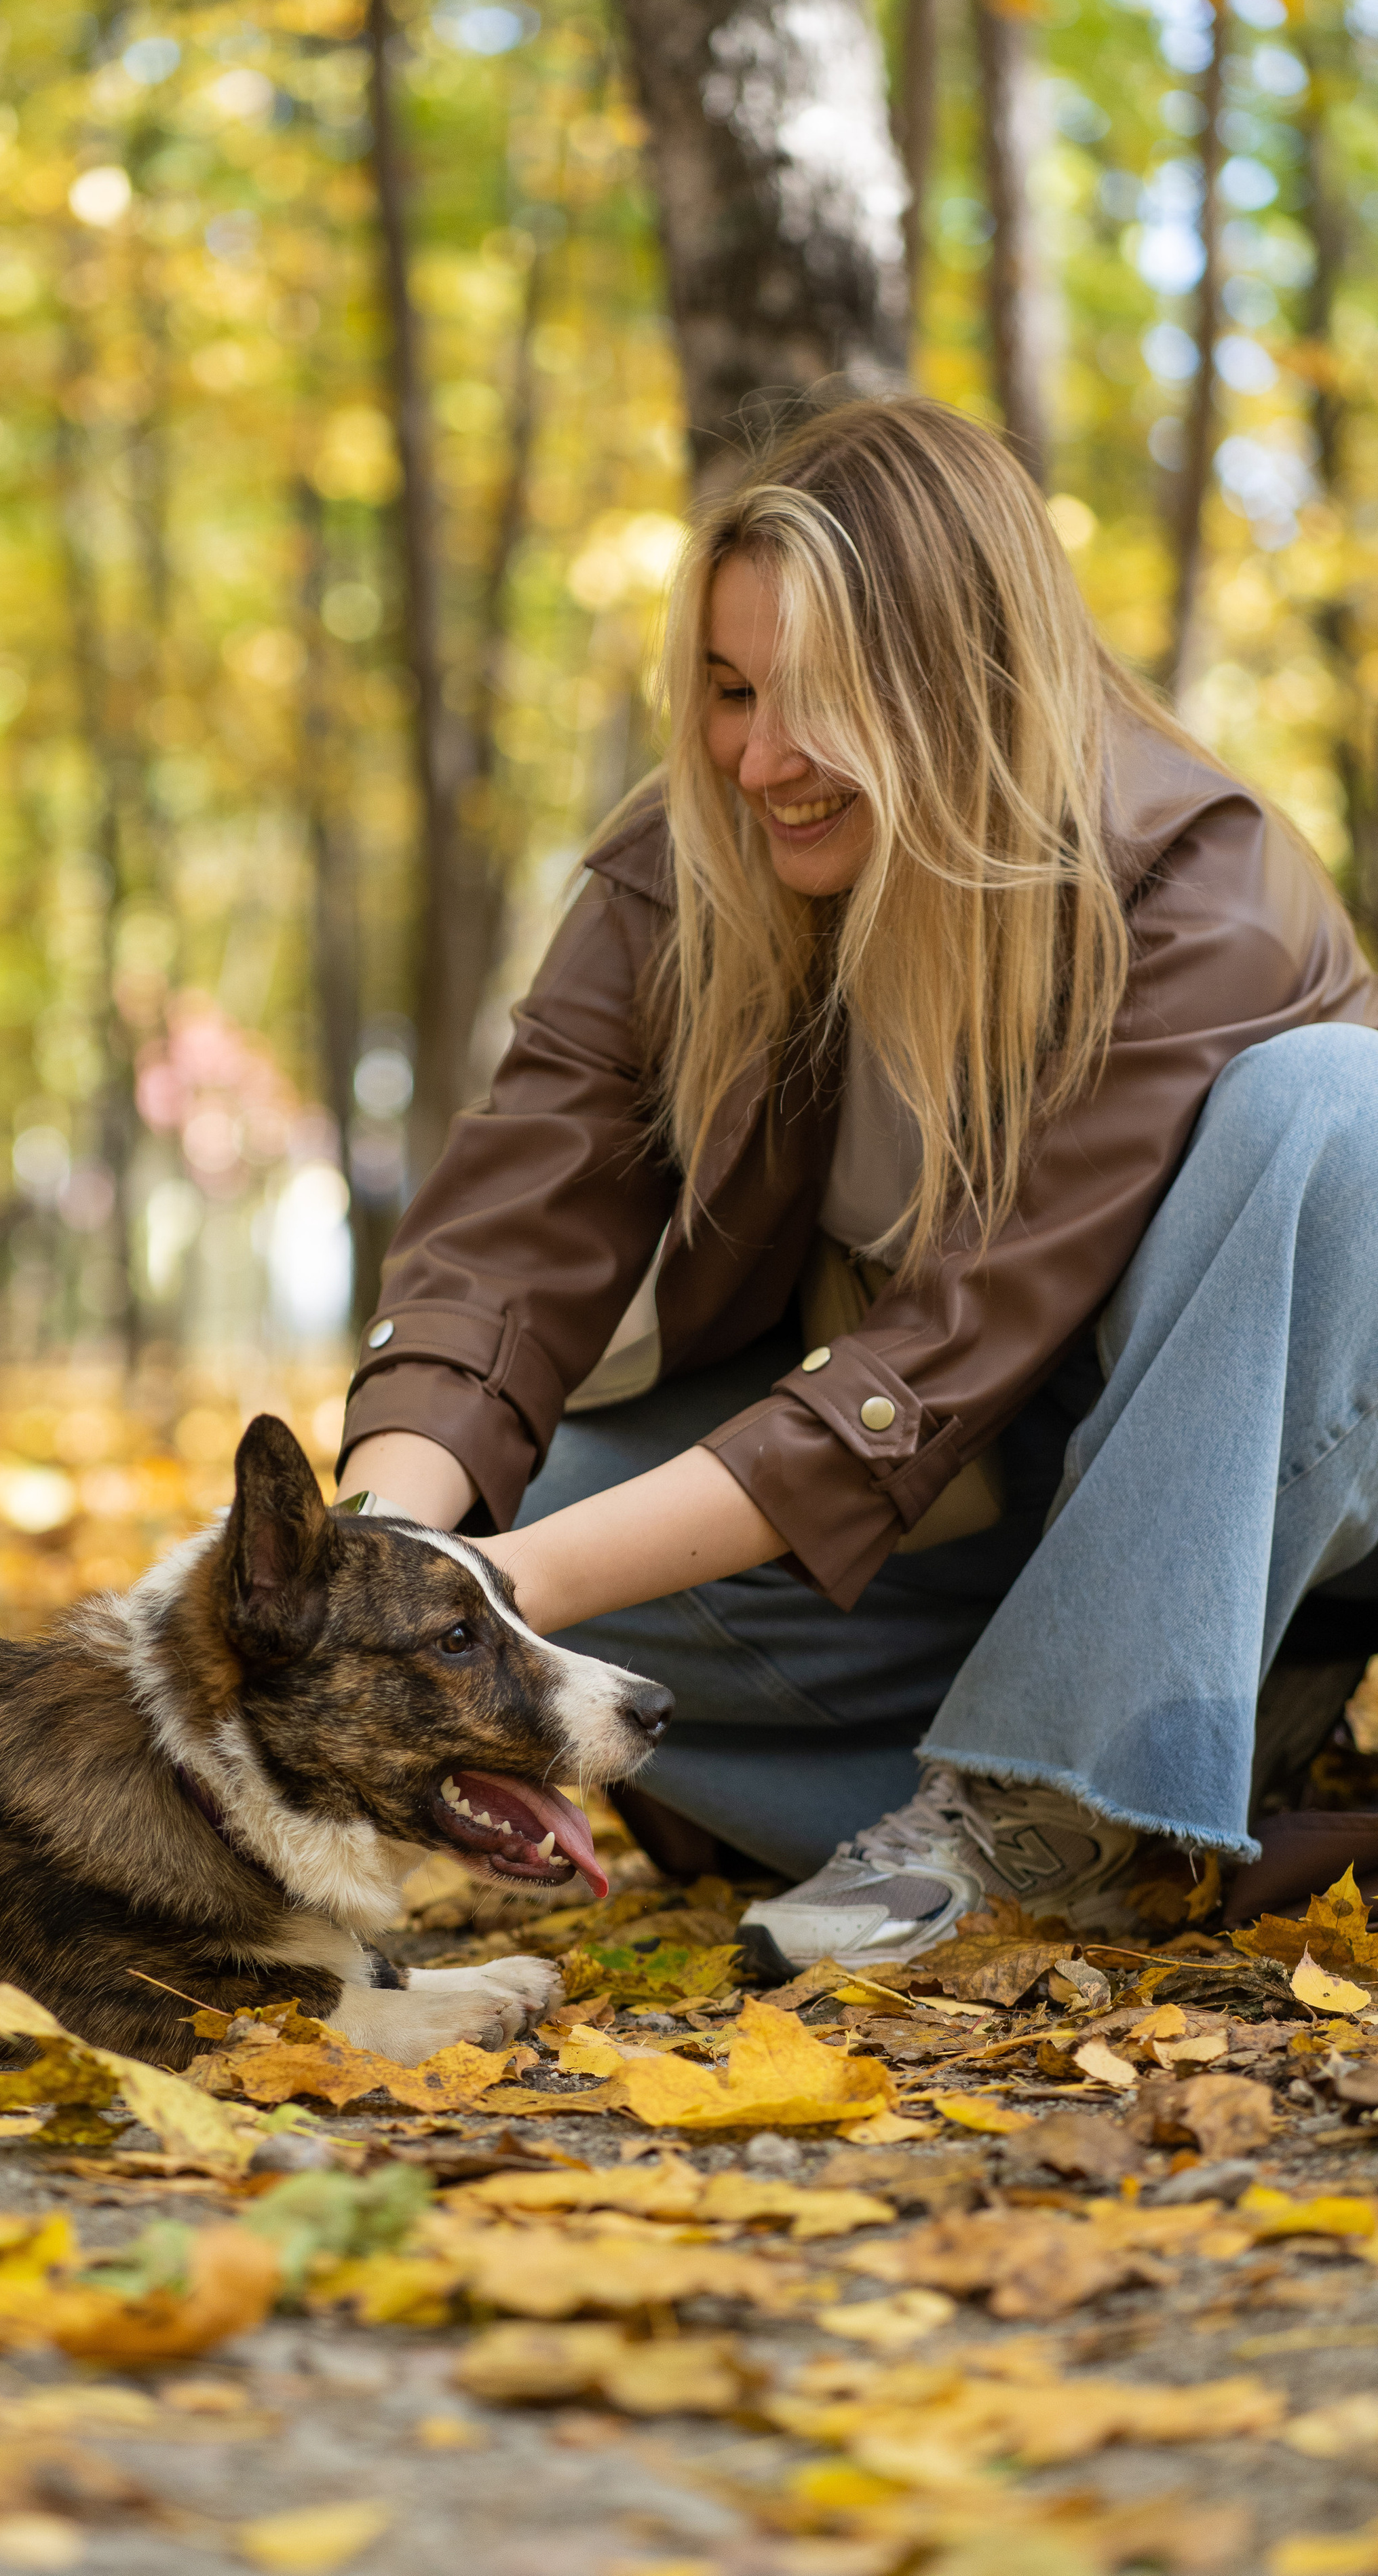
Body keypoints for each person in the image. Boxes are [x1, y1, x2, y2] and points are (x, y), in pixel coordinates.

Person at [334, 395, 1378, 1969]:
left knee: (1336, 1106)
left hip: (1248, 1509)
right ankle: (1116, 1788)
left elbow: (945, 1352)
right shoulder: (687, 863)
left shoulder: (1192, 882)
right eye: (729, 691)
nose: (760, 759)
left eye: (818, 700)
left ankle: (1047, 1803)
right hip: (968, 1515)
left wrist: (482, 1601)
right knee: (519, 1497)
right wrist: (369, 1561)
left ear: (966, 684)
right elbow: (513, 1227)